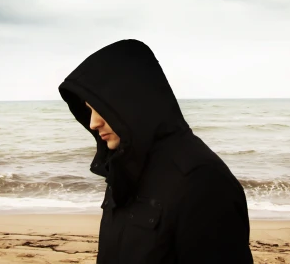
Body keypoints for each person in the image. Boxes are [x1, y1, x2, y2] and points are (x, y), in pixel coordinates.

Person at [59, 39, 253, 263]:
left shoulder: (203, 180)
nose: (93, 123)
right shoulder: (126, 167)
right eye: (89, 110)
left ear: (130, 102)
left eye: (100, 109)